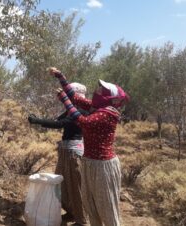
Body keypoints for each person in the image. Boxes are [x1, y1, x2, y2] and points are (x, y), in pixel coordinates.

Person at [48, 67, 129, 226]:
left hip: (103, 166)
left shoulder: (109, 113)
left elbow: (82, 121)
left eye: (101, 89)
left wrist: (64, 99)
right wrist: (60, 76)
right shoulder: (97, 107)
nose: (97, 90)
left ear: (110, 97)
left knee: (106, 208)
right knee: (91, 205)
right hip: (90, 161)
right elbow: (75, 98)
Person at [27, 83, 89, 226]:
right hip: (66, 151)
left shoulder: (80, 111)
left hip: (74, 153)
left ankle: (82, 220)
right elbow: (57, 121)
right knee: (62, 184)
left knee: (75, 187)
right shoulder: (71, 110)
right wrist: (39, 119)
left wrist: (37, 121)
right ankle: (71, 211)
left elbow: (60, 124)